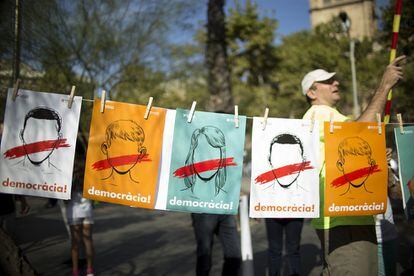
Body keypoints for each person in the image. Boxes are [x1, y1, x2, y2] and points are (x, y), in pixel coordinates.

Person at [301, 55, 405, 275]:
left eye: (335, 80)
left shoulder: (332, 115)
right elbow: (361, 130)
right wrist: (384, 86)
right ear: (312, 93)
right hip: (341, 218)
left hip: (351, 214)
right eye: (328, 82)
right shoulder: (318, 114)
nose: (336, 83)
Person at [66, 145, 95, 276]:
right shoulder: (89, 168)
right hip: (87, 207)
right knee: (88, 240)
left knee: (75, 242)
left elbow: (66, 194)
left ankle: (75, 271)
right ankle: (89, 270)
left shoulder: (69, 169)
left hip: (73, 208)